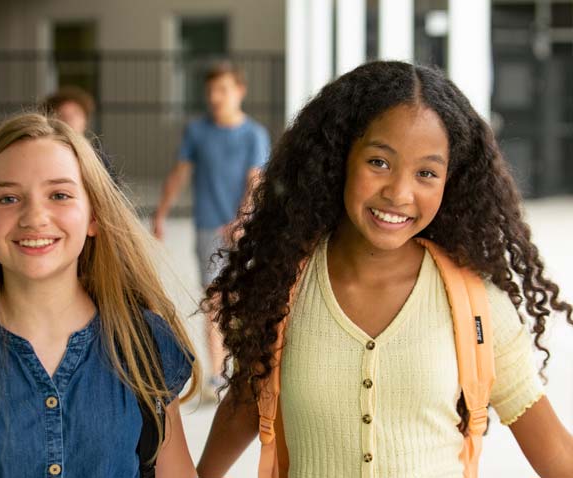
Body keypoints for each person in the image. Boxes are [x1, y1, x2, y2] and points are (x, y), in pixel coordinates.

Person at [196, 61, 573, 477]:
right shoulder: (283, 287)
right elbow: (247, 404)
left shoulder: (476, 302)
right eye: (379, 162)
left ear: (451, 180)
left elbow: (555, 452)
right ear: (340, 158)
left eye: (426, 172)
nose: (399, 193)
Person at [0, 113, 200, 478]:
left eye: (59, 195)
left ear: (94, 216)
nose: (35, 216)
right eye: (9, 198)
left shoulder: (143, 344)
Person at [152, 61, 270, 401]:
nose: (216, 97)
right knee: (215, 301)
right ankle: (217, 375)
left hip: (246, 232)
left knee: (244, 301)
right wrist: (160, 213)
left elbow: (255, 181)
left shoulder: (254, 134)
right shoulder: (197, 132)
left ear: (239, 91)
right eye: (211, 91)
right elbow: (179, 173)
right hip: (207, 227)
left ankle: (247, 369)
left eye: (223, 90)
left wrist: (242, 221)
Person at [43, 86, 119, 183]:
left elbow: (113, 188)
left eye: (75, 114)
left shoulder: (98, 154)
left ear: (85, 119)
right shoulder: (45, 153)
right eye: (63, 115)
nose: (70, 120)